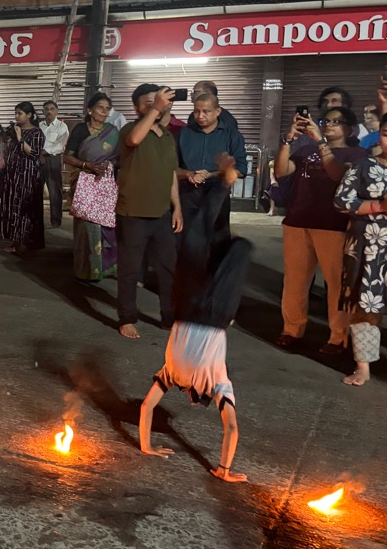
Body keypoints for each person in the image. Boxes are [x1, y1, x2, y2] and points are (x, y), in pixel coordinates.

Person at [139, 161, 250, 483]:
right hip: (197, 311)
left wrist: (224, 469)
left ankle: (224, 185)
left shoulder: (211, 383)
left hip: (206, 312)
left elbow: (230, 426)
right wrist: (223, 471)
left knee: (213, 245)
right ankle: (224, 189)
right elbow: (147, 409)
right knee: (208, 244)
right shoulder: (177, 376)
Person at [273, 105, 366, 355]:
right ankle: (292, 329)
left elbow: (338, 176)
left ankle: (338, 336)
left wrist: (322, 143)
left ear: (349, 128)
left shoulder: (357, 154)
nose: (329, 124)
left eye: (336, 122)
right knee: (295, 281)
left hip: (334, 226)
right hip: (298, 221)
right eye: (326, 120)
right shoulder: (305, 150)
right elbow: (281, 172)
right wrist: (286, 140)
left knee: (336, 284)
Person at [117, 85, 184, 340]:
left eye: (157, 101)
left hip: (162, 214)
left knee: (168, 268)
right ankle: (127, 318)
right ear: (136, 108)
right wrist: (155, 107)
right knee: (130, 269)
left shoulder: (167, 137)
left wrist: (176, 207)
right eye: (147, 102)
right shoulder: (129, 130)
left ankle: (170, 317)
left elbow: (171, 176)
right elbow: (134, 139)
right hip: (133, 212)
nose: (154, 104)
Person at [335, 113, 387, 386]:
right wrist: (378, 206)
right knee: (366, 305)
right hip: (369, 247)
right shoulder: (363, 166)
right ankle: (363, 365)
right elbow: (341, 200)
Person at [64, 93, 121, 281]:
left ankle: (106, 267)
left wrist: (109, 165)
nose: (105, 112)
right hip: (83, 183)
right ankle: (86, 269)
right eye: (100, 107)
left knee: (106, 225)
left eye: (107, 108)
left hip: (104, 184)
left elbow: (120, 157)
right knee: (86, 227)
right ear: (90, 110)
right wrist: (86, 165)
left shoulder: (112, 132)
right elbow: (67, 156)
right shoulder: (81, 129)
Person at [175, 93, 247, 238]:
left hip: (217, 193)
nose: (200, 116)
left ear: (217, 111)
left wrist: (212, 174)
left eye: (206, 111)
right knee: (187, 238)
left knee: (216, 239)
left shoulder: (231, 135)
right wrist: (190, 174)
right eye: (196, 111)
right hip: (188, 193)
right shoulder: (184, 133)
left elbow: (241, 169)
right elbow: (172, 166)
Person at [0, 102, 46, 256]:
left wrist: (20, 138)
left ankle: (25, 242)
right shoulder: (14, 130)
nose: (17, 116)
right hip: (12, 175)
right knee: (12, 207)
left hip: (27, 177)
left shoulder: (37, 133)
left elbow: (33, 154)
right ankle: (14, 240)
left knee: (25, 209)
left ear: (30, 115)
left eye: (20, 113)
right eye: (16, 113)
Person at [38, 100, 69, 228]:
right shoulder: (40, 125)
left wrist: (44, 152)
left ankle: (56, 220)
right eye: (46, 109)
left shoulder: (62, 127)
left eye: (52, 108)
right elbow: (35, 142)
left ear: (56, 111)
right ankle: (37, 219)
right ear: (43, 111)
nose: (49, 111)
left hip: (53, 160)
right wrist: (39, 154)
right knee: (36, 190)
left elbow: (60, 145)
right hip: (38, 159)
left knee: (54, 191)